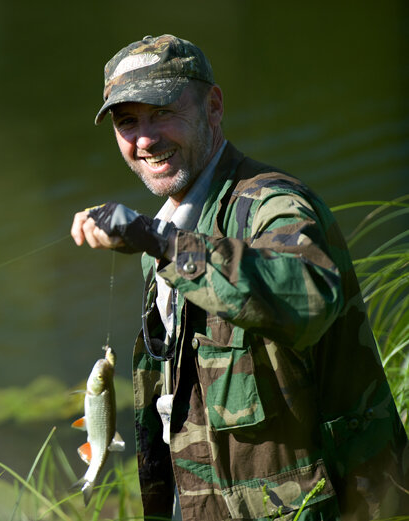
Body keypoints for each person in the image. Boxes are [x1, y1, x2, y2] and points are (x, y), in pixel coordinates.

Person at [70, 34, 408, 521]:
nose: (145, 139)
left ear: (213, 107)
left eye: (162, 112)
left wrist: (159, 241)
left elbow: (308, 300)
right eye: (128, 122)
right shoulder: (166, 234)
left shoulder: (276, 204)